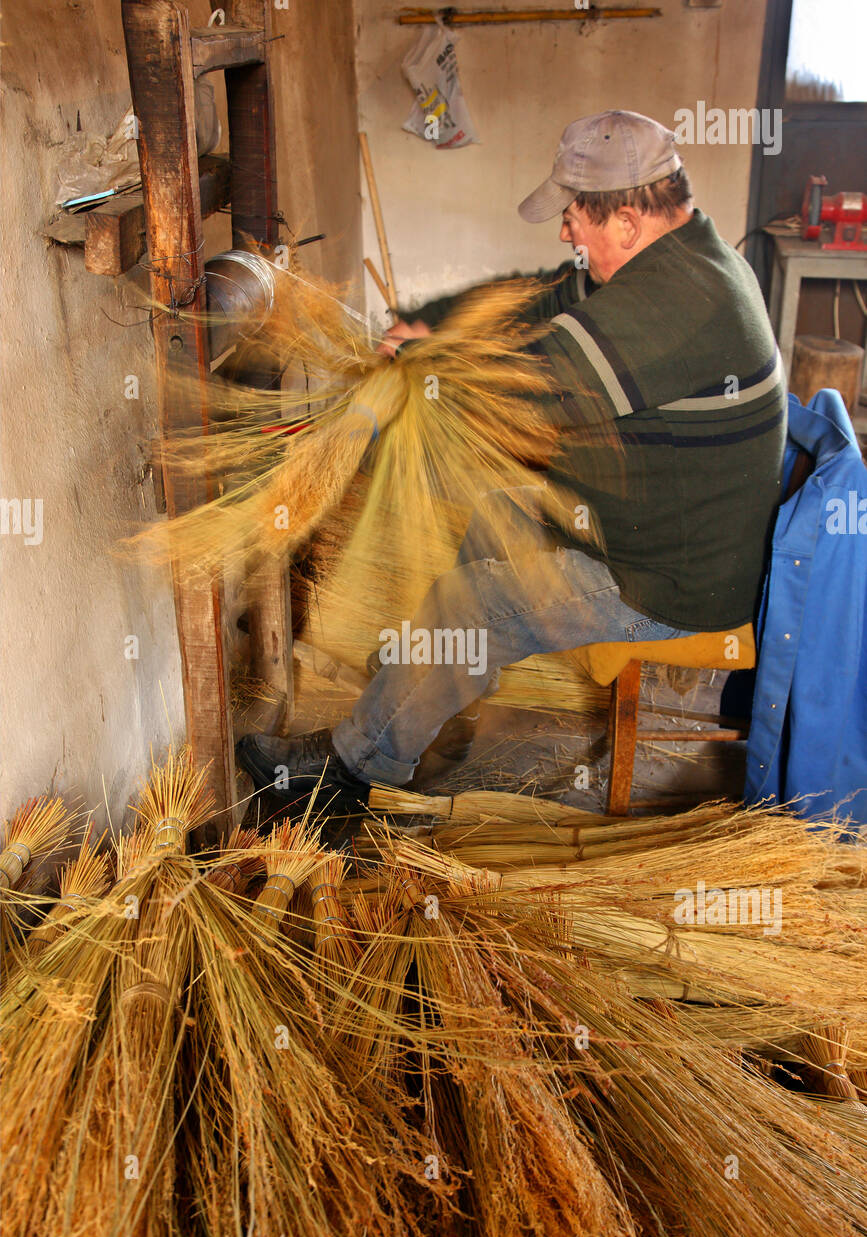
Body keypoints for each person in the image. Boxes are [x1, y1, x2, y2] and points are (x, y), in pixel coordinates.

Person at [237, 110, 786, 808]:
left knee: (471, 602)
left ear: (623, 220)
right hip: (651, 531)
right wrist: (429, 321)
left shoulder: (680, 301)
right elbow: (535, 298)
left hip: (669, 581)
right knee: (495, 517)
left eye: (572, 217)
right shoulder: (672, 256)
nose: (563, 231)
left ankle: (357, 771)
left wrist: (375, 422)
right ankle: (426, 697)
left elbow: (525, 388)